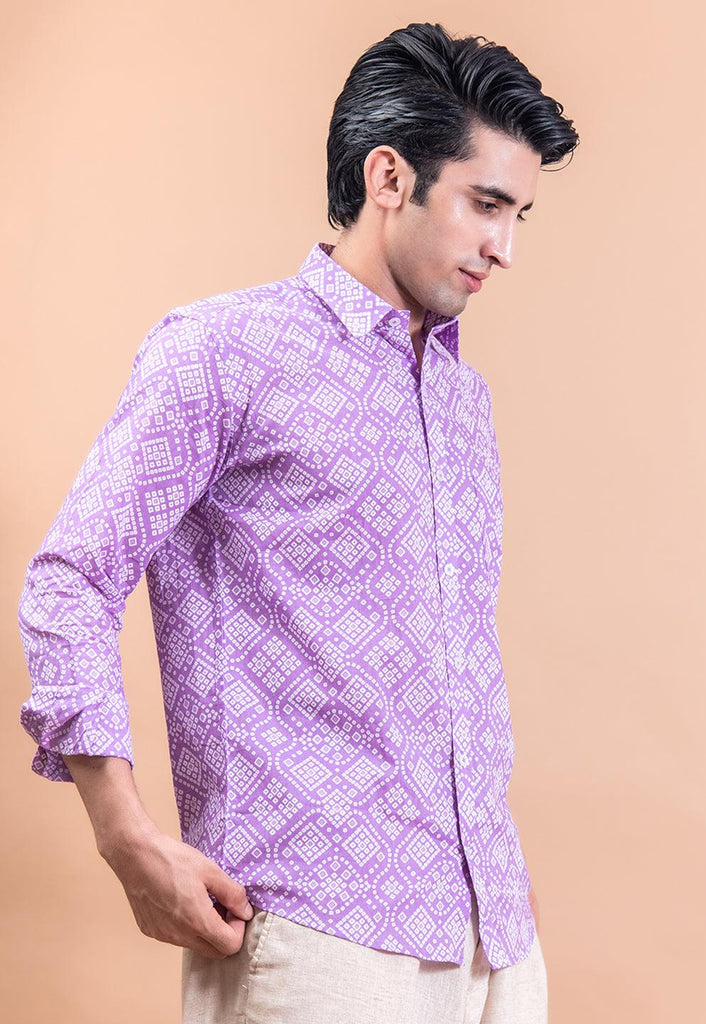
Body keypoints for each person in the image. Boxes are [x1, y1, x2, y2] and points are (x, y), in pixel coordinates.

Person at [17, 21, 578, 1024]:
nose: (506, 246)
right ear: (389, 177)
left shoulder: (464, 400)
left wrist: (496, 876)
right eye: (487, 204)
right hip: (318, 931)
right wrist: (125, 836)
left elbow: (451, 660)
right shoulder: (223, 352)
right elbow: (72, 579)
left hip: (493, 938)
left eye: (519, 213)